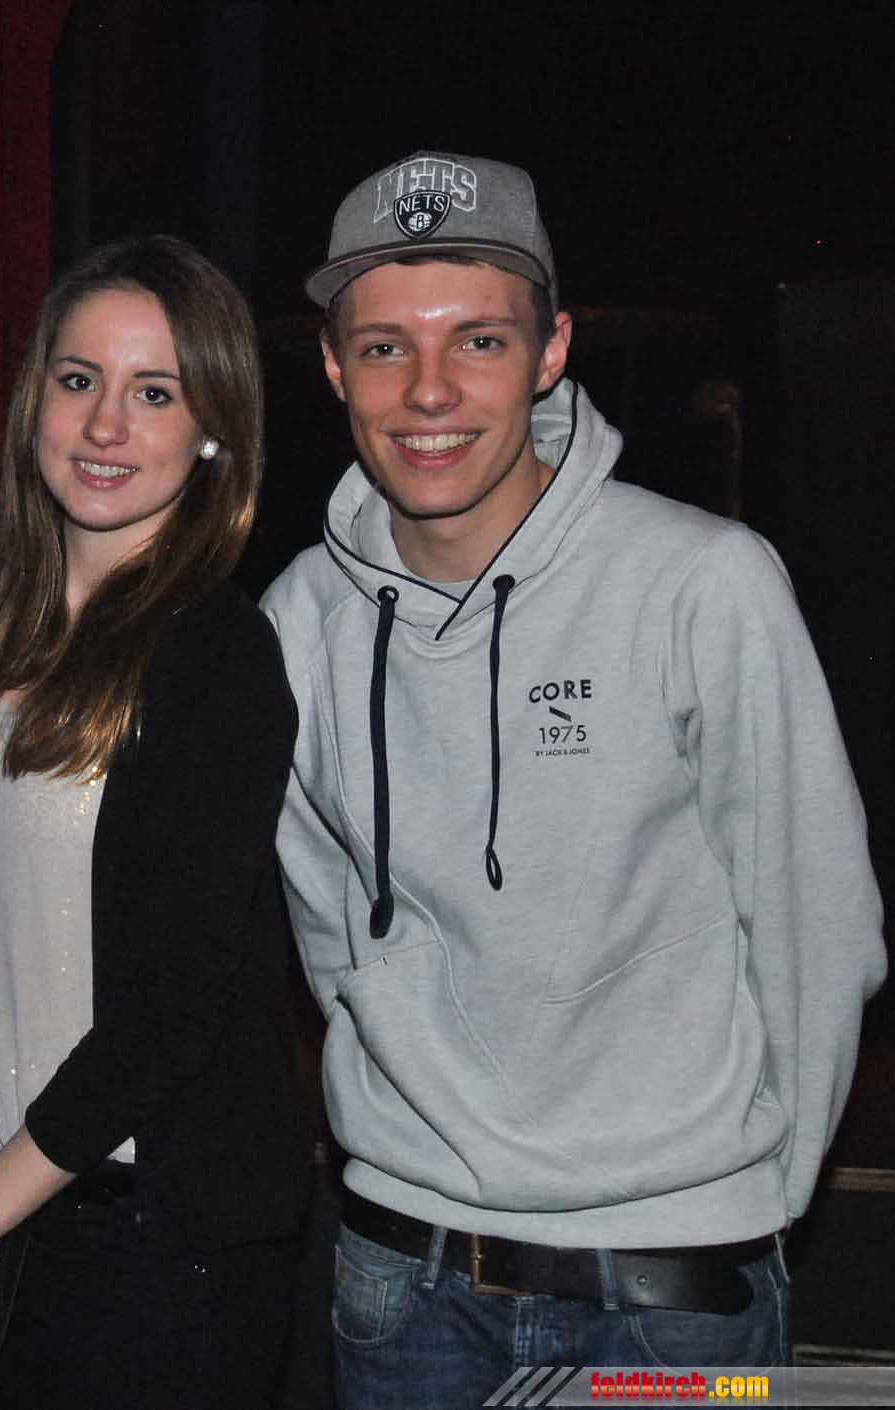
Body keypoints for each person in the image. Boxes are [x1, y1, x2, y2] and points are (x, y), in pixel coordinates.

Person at [261, 151, 886, 1407]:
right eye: (383, 348)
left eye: (479, 340)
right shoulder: (298, 618)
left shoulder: (704, 583)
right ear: (332, 368)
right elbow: (328, 929)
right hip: (401, 1280)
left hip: (670, 1298)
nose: (428, 390)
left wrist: (744, 1204)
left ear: (551, 351)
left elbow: (818, 924)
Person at [0, 235, 311, 1409]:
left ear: (212, 430)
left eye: (155, 392)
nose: (107, 424)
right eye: (80, 380)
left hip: (144, 1240)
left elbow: (169, 1013)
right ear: (36, 402)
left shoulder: (218, 655)